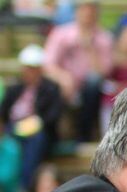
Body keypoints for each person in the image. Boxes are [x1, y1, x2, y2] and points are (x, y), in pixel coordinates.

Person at [42, 0, 113, 141]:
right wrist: (63, 77)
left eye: (91, 10)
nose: (87, 14)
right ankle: (53, 138)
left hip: (90, 89)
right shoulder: (60, 34)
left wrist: (90, 48)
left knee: (94, 81)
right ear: (76, 12)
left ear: (96, 14)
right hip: (64, 85)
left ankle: (84, 135)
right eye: (84, 10)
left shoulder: (104, 38)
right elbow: (48, 65)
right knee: (49, 86)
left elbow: (104, 72)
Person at [0, 44, 62, 192]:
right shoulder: (15, 88)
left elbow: (53, 116)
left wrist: (36, 123)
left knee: (35, 140)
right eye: (27, 68)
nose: (29, 72)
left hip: (41, 132)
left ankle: (25, 186)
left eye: (33, 68)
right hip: (14, 129)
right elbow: (3, 113)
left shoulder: (51, 88)